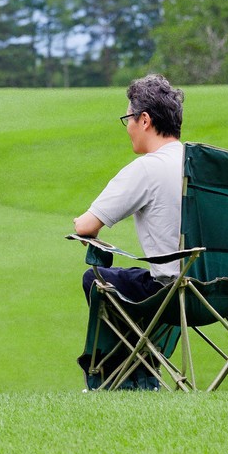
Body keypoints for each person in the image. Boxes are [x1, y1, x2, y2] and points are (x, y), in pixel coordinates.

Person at [72, 74, 187, 304]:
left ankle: (136, 343)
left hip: (175, 293)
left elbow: (85, 226)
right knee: (135, 278)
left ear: (144, 120)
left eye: (128, 119)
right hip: (224, 291)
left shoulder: (147, 168)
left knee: (96, 280)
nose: (128, 128)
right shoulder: (203, 164)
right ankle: (144, 342)